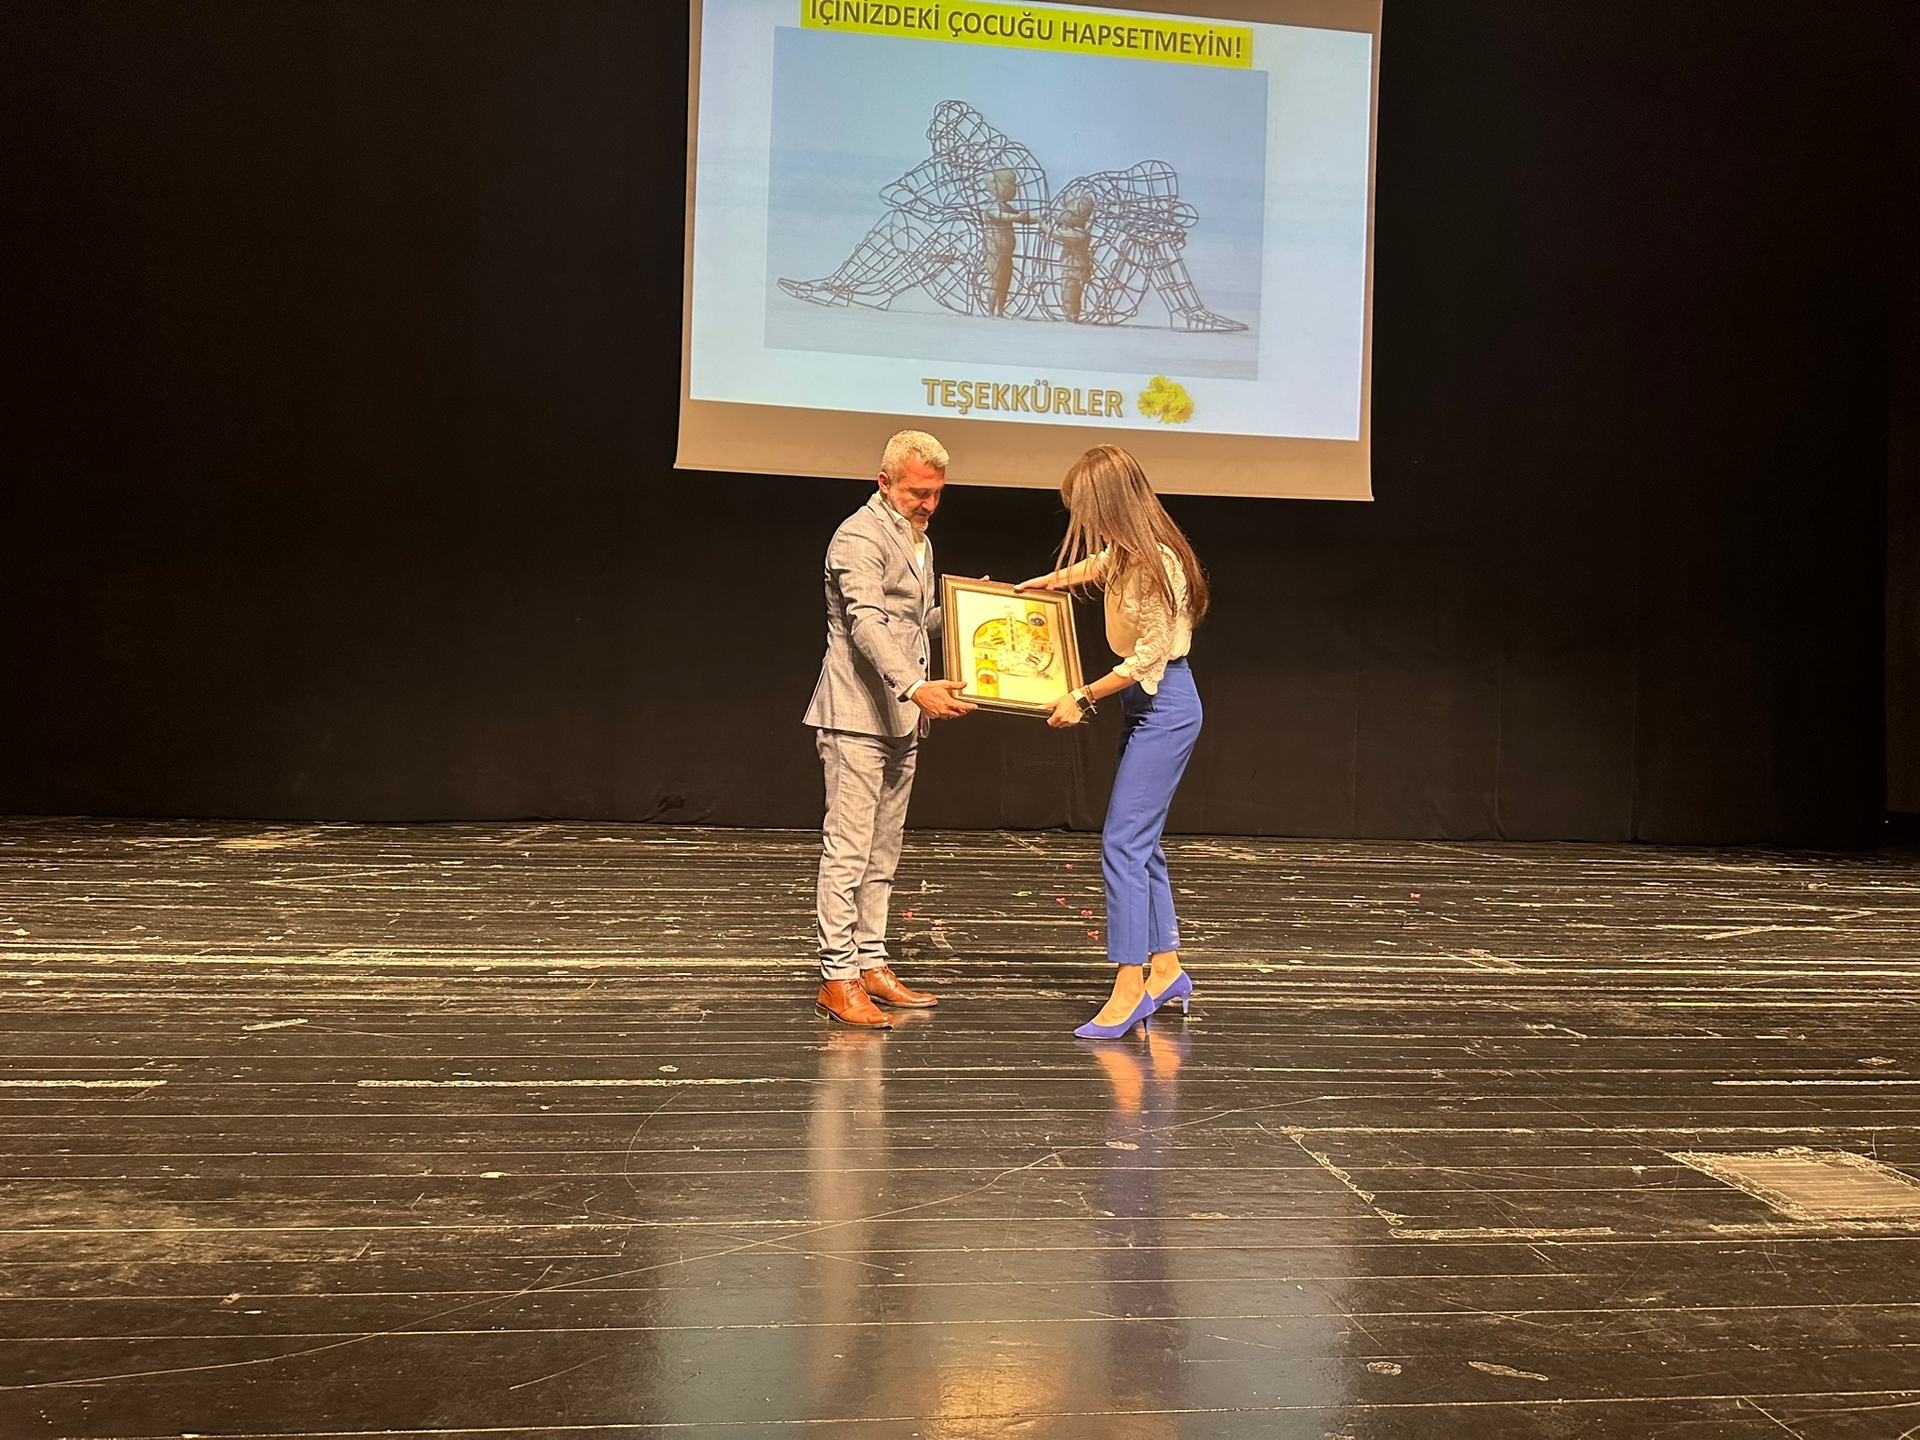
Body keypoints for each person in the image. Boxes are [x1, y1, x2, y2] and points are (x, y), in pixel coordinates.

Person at [1018, 445, 1208, 1038]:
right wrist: (1038, 586)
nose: (1083, 521)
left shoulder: (1159, 563)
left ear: (1110, 504)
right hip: (1144, 706)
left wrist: (1081, 695)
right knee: (1142, 844)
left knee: (1122, 845)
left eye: (1085, 508)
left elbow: (1149, 657)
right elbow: (1094, 567)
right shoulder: (1127, 553)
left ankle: (1130, 985)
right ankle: (1167, 967)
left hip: (1167, 705)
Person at [804, 430, 975, 1028]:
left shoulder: (917, 538)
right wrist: (915, 686)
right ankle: (837, 977)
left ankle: (871, 962)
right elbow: (867, 624)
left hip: (900, 717)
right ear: (884, 482)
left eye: (936, 494)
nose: (928, 504)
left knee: (884, 849)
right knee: (849, 848)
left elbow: (911, 621)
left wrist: (969, 607)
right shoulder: (858, 536)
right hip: (857, 713)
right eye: (917, 492)